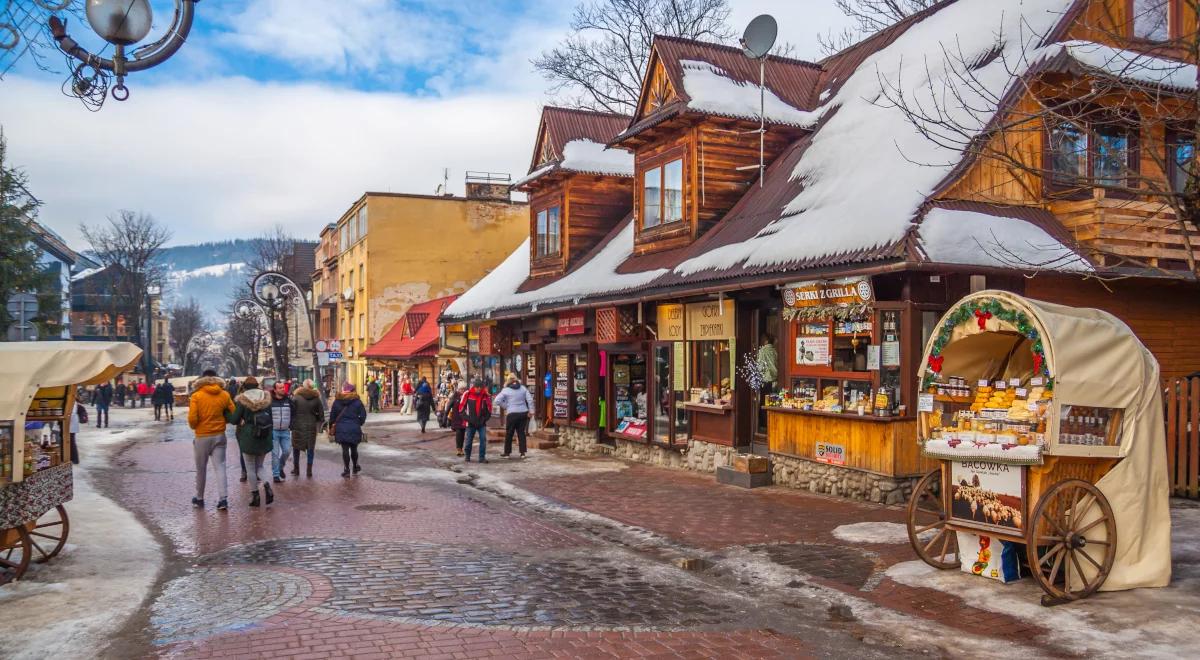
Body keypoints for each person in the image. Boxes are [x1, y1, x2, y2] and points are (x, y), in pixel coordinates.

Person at [187, 369, 235, 511]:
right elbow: (233, 412)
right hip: (219, 435)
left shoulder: (196, 395)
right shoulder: (224, 394)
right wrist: (223, 421)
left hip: (202, 436)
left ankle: (199, 498)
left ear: (202, 378)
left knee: (201, 469)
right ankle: (223, 499)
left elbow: (192, 419)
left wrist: (195, 426)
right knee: (220, 467)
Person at [226, 377, 274, 507]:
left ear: (245, 386)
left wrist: (226, 413)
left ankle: (255, 496)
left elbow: (235, 419)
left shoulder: (243, 400)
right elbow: (270, 417)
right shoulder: (266, 398)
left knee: (250, 468)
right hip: (264, 435)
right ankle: (267, 486)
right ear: (257, 385)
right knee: (260, 466)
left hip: (249, 437)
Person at [329, 383, 367, 477]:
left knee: (345, 449)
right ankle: (355, 467)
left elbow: (332, 416)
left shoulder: (337, 401)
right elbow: (363, 415)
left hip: (341, 428)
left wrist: (331, 427)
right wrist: (359, 423)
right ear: (352, 391)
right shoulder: (357, 401)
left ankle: (346, 470)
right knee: (354, 448)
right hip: (354, 428)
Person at [494, 375, 534, 459]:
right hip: (523, 412)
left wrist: (506, 406)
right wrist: (531, 411)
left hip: (512, 414)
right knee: (521, 433)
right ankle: (522, 453)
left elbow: (497, 400)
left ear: (508, 381)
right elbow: (530, 399)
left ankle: (507, 453)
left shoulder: (506, 390)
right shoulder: (523, 388)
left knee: (509, 433)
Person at [291, 379, 324, 478]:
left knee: (296, 447)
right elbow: (321, 416)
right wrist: (315, 418)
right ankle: (309, 470)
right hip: (311, 426)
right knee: (310, 448)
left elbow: (291, 413)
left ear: (303, 386)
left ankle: (296, 469)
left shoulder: (296, 398)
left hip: (298, 425)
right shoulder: (317, 399)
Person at [268, 380, 296, 483]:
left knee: (287, 451)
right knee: (275, 454)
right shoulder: (270, 401)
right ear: (275, 390)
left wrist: (291, 425)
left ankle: (280, 467)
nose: (283, 389)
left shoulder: (288, 400)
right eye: (280, 388)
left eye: (283, 387)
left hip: (285, 431)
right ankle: (275, 475)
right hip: (274, 431)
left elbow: (294, 413)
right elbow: (267, 415)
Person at [459, 379, 491, 463]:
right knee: (469, 440)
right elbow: (461, 408)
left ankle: (481, 457)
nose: (479, 389)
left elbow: (489, 409)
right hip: (470, 422)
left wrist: (485, 419)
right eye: (477, 387)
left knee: (483, 439)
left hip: (481, 423)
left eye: (480, 387)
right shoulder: (467, 394)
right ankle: (467, 456)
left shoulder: (485, 395)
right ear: (474, 387)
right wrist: (468, 419)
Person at [446, 383, 468, 456]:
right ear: (458, 389)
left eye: (464, 389)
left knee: (463, 433)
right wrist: (445, 416)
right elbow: (449, 405)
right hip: (456, 417)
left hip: (464, 418)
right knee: (458, 433)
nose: (463, 390)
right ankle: (459, 449)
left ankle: (461, 448)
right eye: (461, 389)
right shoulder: (455, 396)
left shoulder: (467, 396)